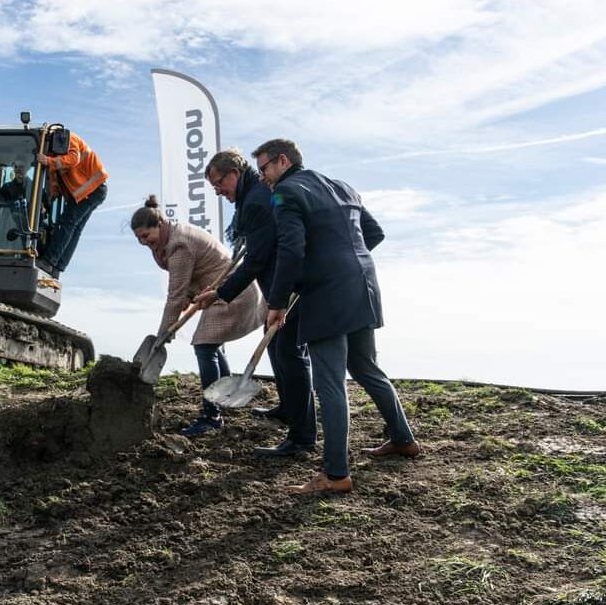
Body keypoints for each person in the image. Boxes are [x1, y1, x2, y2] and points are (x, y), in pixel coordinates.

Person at [254, 138, 420, 494]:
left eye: (264, 168)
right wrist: (342, 259)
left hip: (327, 294)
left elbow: (291, 249)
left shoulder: (285, 194)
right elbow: (374, 233)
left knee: (329, 383)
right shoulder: (343, 186)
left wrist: (278, 301)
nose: (263, 177)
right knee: (366, 368)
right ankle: (403, 439)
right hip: (363, 283)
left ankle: (335, 473)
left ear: (283, 161)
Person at [193, 149, 317, 458]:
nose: (218, 191)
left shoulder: (257, 201)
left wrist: (221, 293)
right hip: (280, 285)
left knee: (290, 353)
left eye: (218, 183)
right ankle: (288, 409)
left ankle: (302, 438)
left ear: (233, 174)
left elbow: (256, 260)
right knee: (277, 349)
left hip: (288, 287)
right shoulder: (255, 196)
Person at [131, 196, 263, 437]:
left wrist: (164, 332)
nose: (143, 242)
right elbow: (185, 287)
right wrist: (187, 298)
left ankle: (211, 416)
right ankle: (223, 395)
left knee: (204, 346)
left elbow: (175, 294)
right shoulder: (164, 241)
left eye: (146, 235)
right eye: (138, 238)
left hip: (234, 292)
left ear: (160, 224)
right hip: (213, 291)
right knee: (209, 345)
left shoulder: (179, 244)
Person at [37, 132, 108, 273]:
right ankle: (58, 266)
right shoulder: (54, 150)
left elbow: (73, 159)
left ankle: (49, 261)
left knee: (67, 224)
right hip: (92, 191)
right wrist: (50, 199)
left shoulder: (66, 138)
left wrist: (47, 161)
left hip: (92, 189)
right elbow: (55, 181)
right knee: (75, 228)